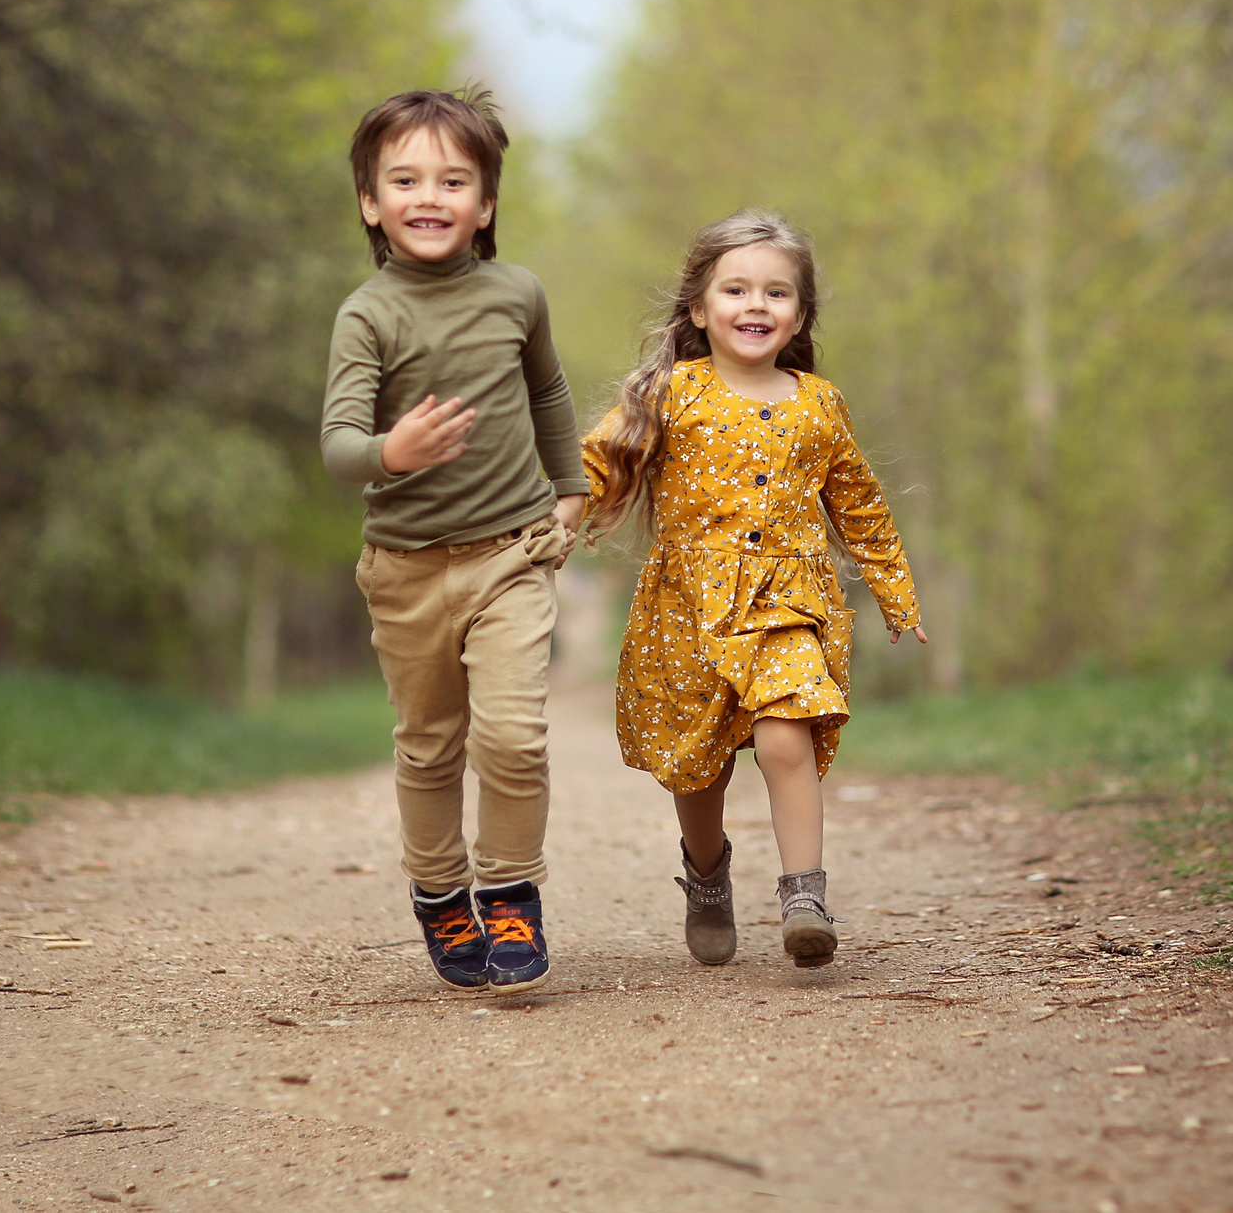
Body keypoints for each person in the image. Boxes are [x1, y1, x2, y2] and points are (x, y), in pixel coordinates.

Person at [581, 210, 926, 968]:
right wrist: (560, 506)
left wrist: (895, 591)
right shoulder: (668, 393)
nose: (755, 305)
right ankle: (706, 875)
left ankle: (805, 894)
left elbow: (859, 501)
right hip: (689, 609)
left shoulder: (818, 403)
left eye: (776, 292)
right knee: (697, 764)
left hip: (787, 603)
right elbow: (601, 459)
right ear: (699, 309)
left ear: (799, 314)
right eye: (735, 289)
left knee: (785, 733)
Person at [320, 87, 588, 994]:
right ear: (370, 202)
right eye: (404, 178)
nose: (427, 195)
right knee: (431, 744)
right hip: (405, 569)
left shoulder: (518, 293)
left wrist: (573, 486)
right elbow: (338, 447)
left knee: (513, 737)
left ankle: (512, 892)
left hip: (510, 553)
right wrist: (390, 453)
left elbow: (548, 394)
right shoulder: (368, 314)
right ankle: (440, 891)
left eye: (452, 179)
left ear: (486, 204)